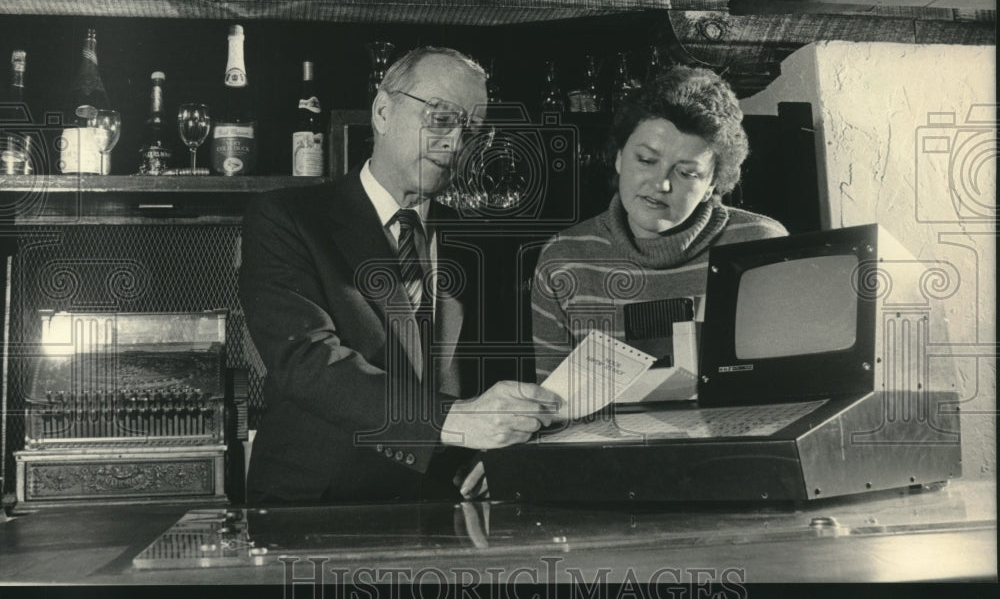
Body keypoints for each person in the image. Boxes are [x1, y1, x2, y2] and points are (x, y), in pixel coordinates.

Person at [240, 46, 560, 504]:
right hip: (317, 508)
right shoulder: (288, 219)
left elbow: (500, 368)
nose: (454, 144)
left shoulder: (482, 242)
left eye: (472, 131)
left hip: (448, 509)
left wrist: (500, 451)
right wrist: (451, 421)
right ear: (384, 111)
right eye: (442, 118)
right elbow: (308, 362)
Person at [532, 65, 788, 381]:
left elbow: (785, 382)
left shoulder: (761, 245)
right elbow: (553, 403)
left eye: (686, 173)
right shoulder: (563, 257)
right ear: (618, 157)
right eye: (646, 160)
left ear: (711, 184)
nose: (661, 184)